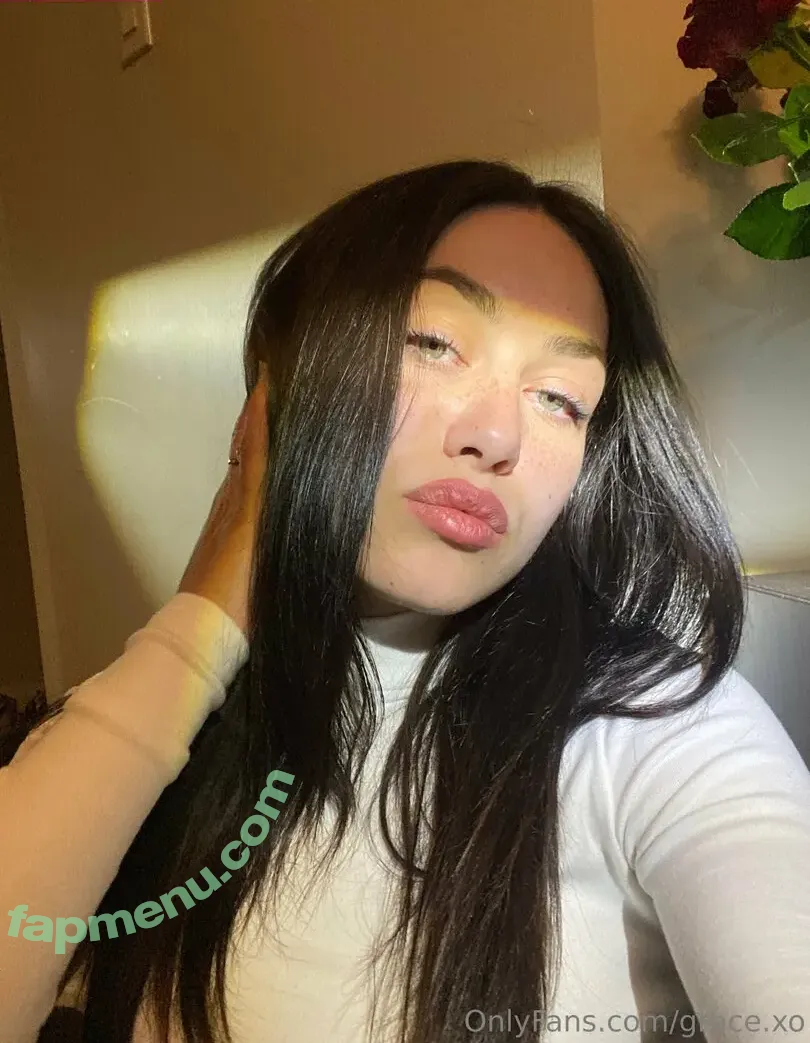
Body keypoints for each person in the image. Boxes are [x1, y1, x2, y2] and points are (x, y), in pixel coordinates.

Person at [1, 159, 809, 1043]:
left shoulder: (663, 728)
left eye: (559, 399)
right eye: (432, 342)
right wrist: (202, 623)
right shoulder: (165, 725)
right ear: (277, 387)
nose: (497, 436)